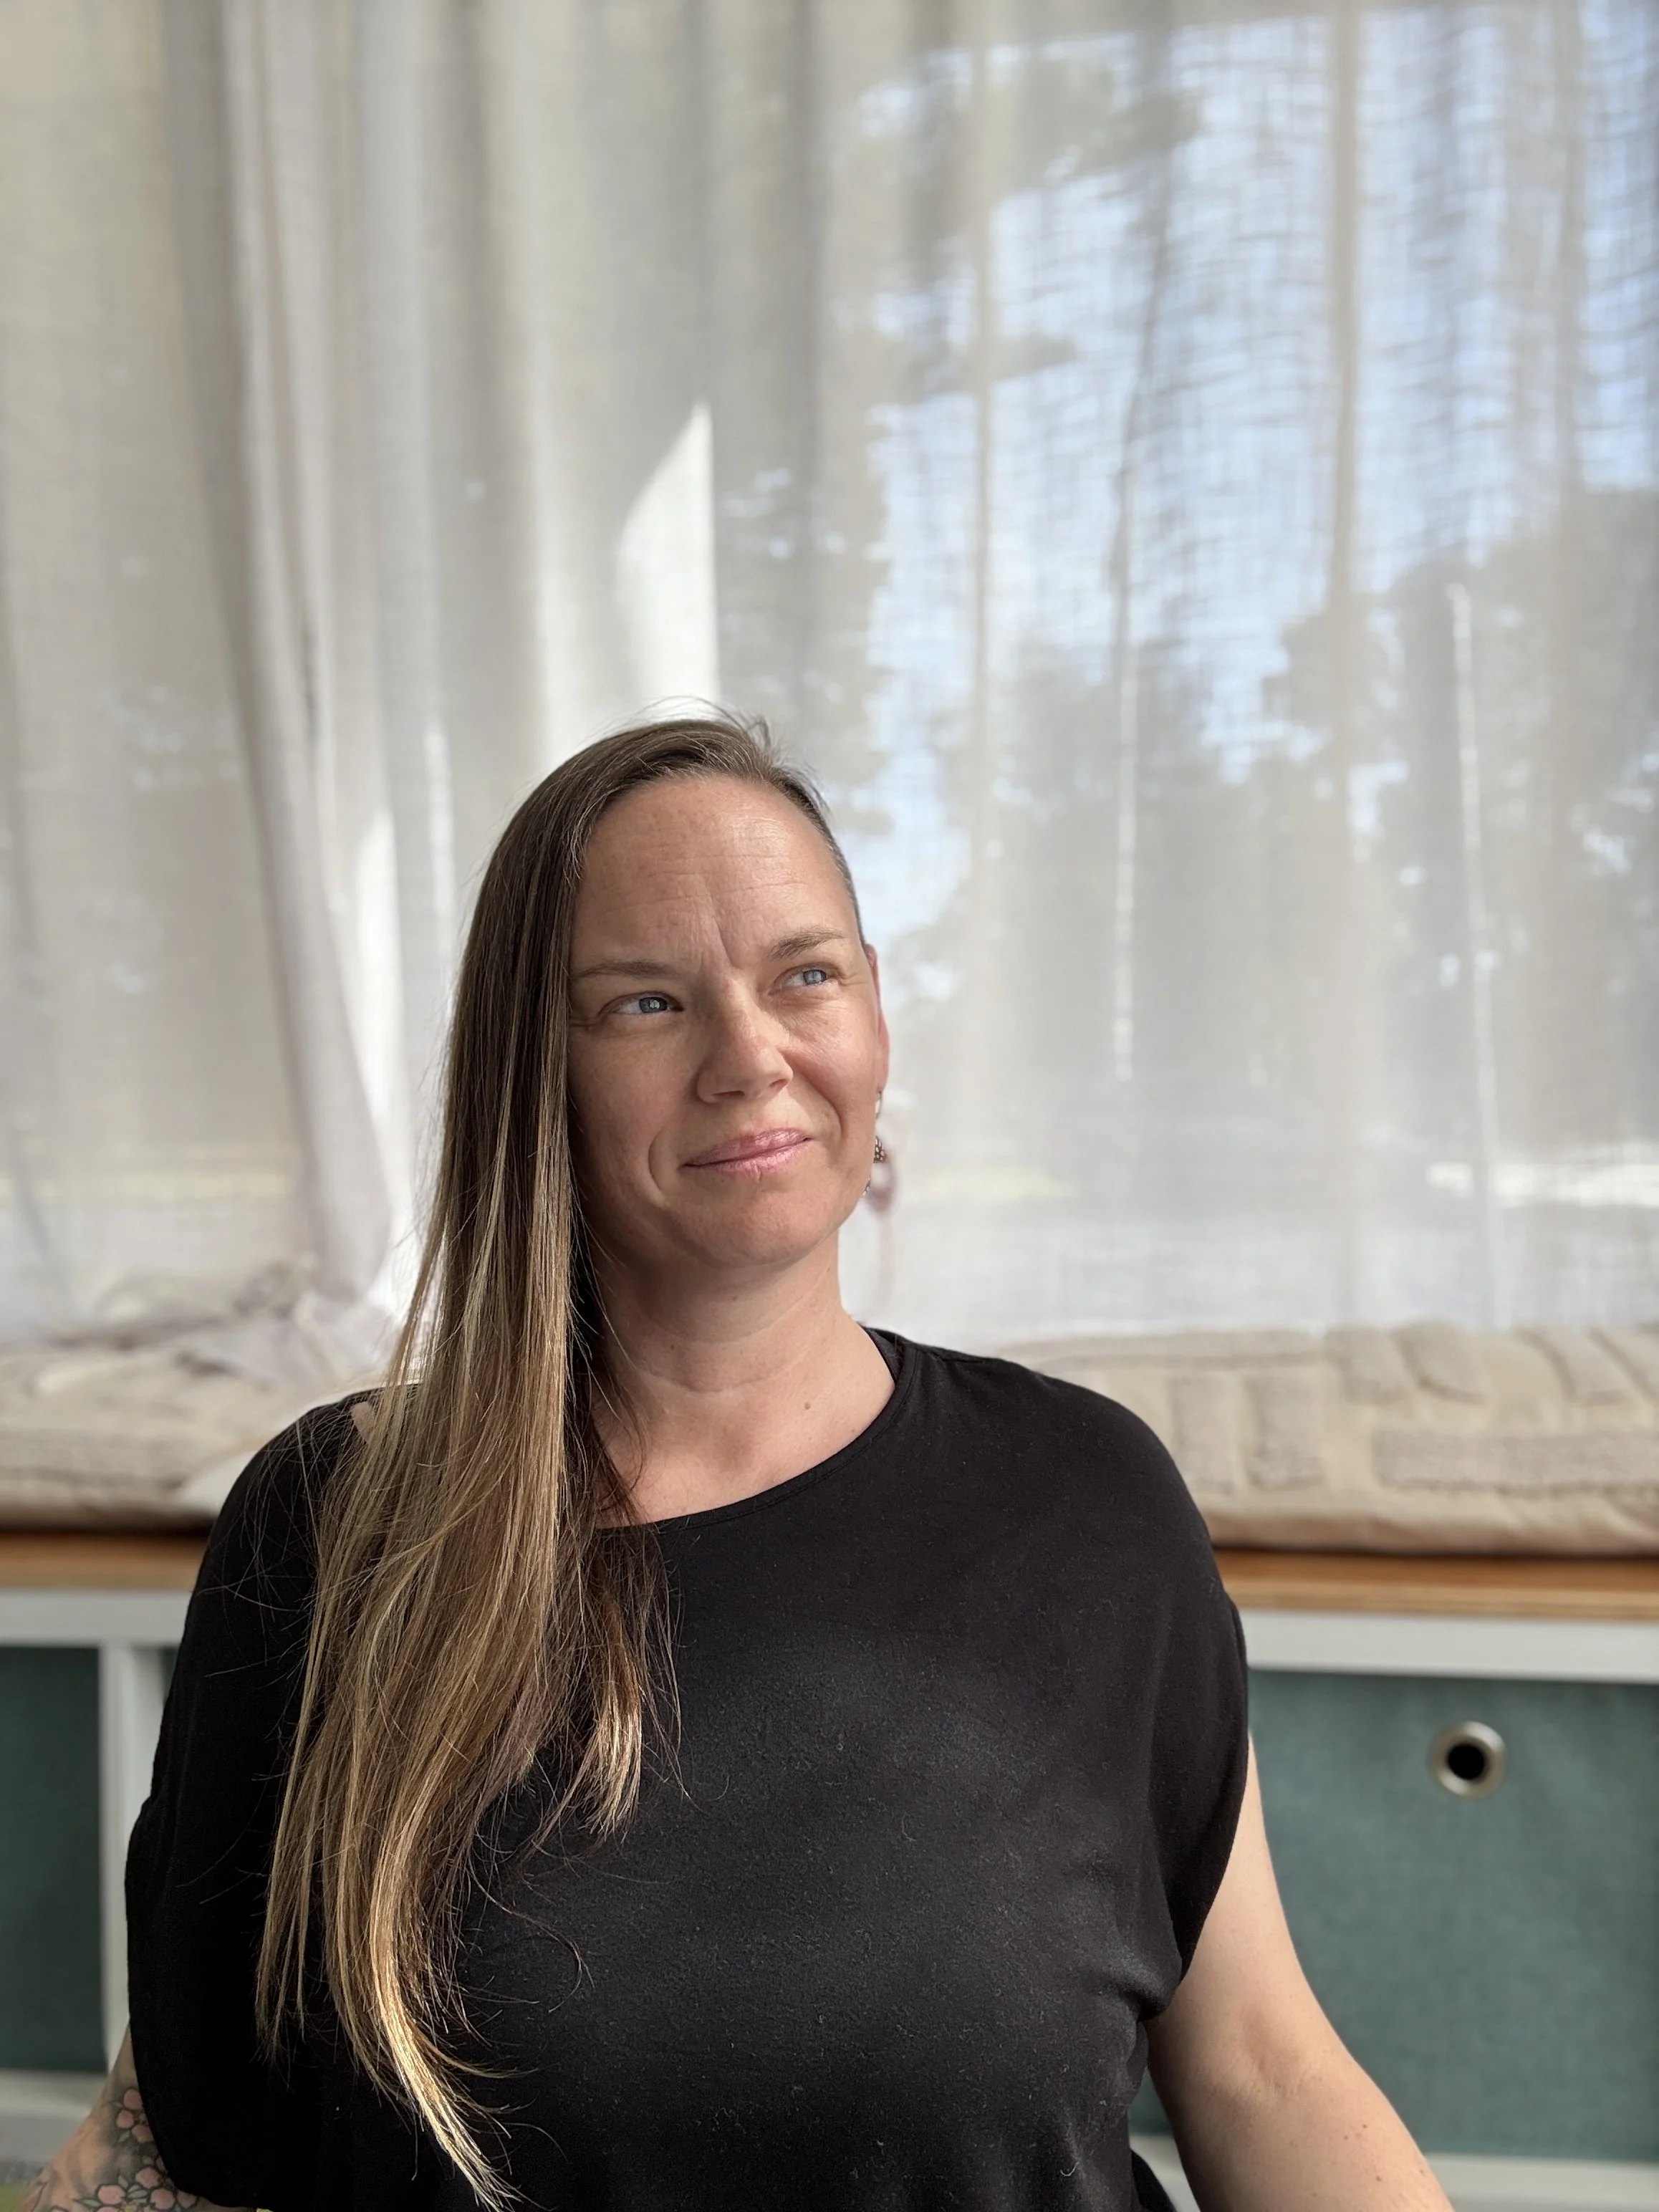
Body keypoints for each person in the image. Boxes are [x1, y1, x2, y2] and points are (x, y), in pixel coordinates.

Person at [25, 713, 1454, 2212]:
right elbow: (191, 2147)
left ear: (876, 1020)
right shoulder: (336, 1531)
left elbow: (1261, 2066)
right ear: (539, 1077)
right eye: (647, 1001)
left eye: (805, 974)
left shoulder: (1093, 1500)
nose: (749, 1052)